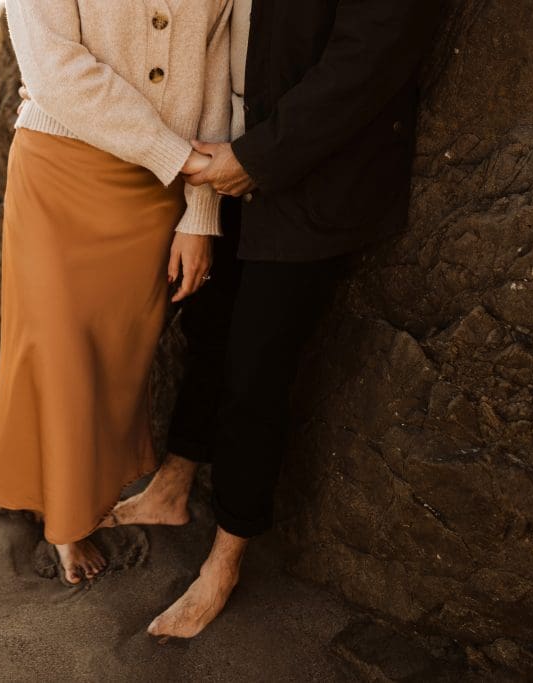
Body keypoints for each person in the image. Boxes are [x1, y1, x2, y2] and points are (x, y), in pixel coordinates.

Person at [101, 0, 444, 638]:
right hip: (232, 145)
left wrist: (258, 158)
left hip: (313, 172)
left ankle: (225, 560)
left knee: (257, 369)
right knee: (207, 327)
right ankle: (171, 489)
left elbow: (369, 59)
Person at [0, 0, 234, 586]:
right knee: (54, 349)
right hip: (60, 173)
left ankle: (74, 490)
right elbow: (52, 66)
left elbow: (217, 72)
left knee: (118, 360)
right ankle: (65, 521)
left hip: (161, 187)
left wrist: (201, 211)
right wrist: (184, 160)